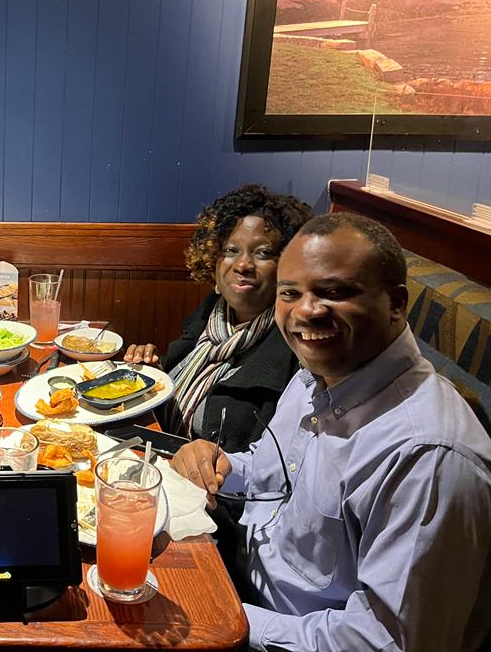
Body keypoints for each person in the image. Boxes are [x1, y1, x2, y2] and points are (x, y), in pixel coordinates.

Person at [171, 212, 491, 651]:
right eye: (290, 293)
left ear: (398, 303)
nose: (306, 310)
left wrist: (226, 617)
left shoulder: (429, 455)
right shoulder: (313, 376)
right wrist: (222, 464)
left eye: (334, 292)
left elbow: (389, 642)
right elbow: (272, 472)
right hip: (237, 581)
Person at [124, 184, 313, 451]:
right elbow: (179, 380)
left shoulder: (292, 351)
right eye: (231, 251)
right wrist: (153, 370)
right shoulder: (213, 311)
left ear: (287, 266)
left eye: (263, 253)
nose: (243, 265)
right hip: (157, 457)